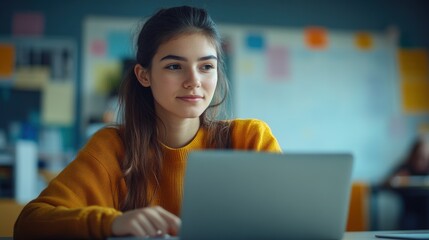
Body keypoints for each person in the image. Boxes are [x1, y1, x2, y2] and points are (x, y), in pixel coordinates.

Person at [14, 6, 282, 239]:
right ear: (144, 75)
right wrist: (112, 223)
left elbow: (294, 222)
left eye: (206, 66)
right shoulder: (112, 147)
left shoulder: (250, 139)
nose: (194, 81)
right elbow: (30, 223)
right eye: (174, 66)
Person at [383, 137, 429, 230]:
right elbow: (385, 182)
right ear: (412, 155)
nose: (420, 162)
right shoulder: (405, 167)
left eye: (424, 158)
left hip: (426, 211)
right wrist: (397, 179)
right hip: (409, 213)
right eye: (417, 157)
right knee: (409, 223)